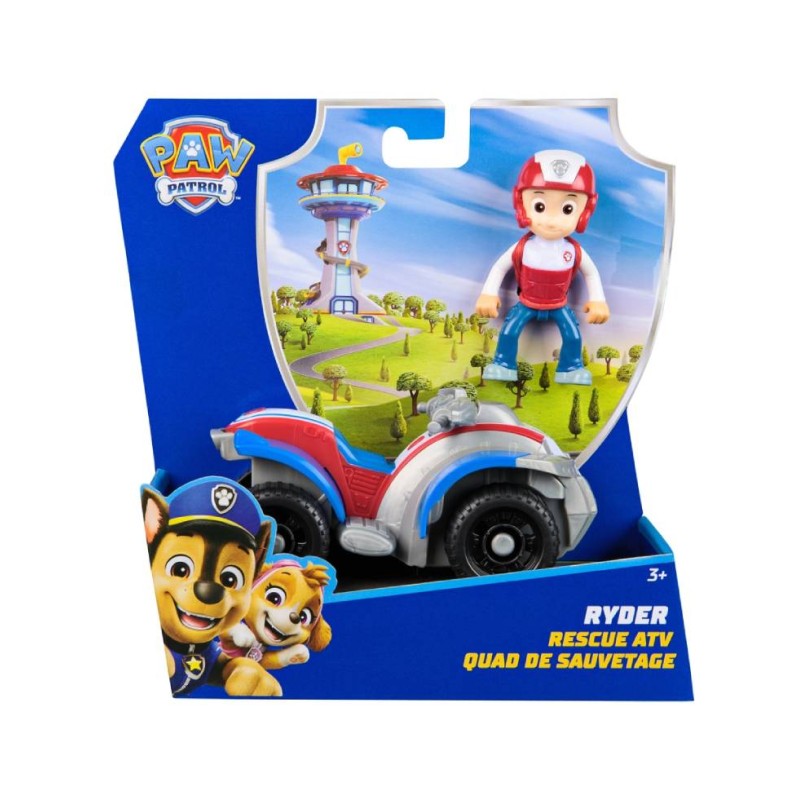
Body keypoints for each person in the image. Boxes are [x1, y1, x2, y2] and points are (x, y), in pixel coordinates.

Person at [475, 149, 609, 385]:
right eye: (539, 206)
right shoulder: (523, 247)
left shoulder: (573, 251)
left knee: (573, 336)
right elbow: (499, 268)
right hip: (526, 302)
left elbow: (591, 273)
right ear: (522, 204)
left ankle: (570, 368)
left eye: (567, 209)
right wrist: (488, 294)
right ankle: (503, 363)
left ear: (584, 212)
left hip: (559, 304)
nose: (551, 220)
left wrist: (598, 300)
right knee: (509, 332)